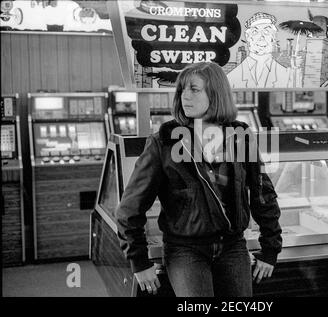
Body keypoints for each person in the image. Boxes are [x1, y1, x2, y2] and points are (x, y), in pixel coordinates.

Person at [115, 62, 282, 297]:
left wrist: (270, 249)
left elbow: (262, 193)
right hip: (185, 249)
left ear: (215, 94)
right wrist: (139, 261)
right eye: (182, 89)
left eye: (194, 89)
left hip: (233, 246)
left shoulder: (241, 136)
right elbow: (130, 207)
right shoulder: (164, 140)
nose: (185, 96)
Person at [227, 12, 292, 88]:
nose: (261, 37)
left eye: (266, 32)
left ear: (273, 37)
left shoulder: (286, 76)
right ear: (248, 37)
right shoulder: (231, 77)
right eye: (255, 32)